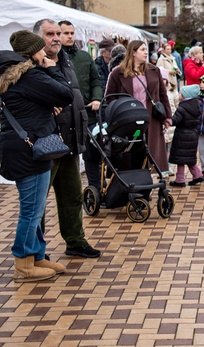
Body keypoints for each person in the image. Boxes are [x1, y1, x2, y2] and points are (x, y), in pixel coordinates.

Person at [0, 30, 74, 282]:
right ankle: (24, 264)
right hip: (30, 151)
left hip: (18, 148)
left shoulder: (9, 76)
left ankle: (37, 256)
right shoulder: (30, 75)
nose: (45, 52)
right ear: (32, 52)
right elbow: (66, 94)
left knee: (34, 208)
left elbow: (0, 110)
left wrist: (41, 108)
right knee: (31, 211)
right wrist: (52, 68)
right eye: (41, 49)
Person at [33, 19, 99, 259]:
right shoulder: (31, 65)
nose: (57, 38)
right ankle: (36, 250)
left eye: (59, 33)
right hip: (47, 142)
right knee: (38, 201)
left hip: (70, 139)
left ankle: (75, 240)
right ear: (38, 38)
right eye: (50, 34)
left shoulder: (66, 60)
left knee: (72, 195)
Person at [105, 40, 172, 180]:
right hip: (128, 121)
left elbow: (162, 95)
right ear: (133, 52)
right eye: (142, 49)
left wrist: (167, 117)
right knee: (130, 154)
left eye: (146, 49)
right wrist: (119, 114)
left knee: (149, 154)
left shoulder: (154, 70)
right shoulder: (118, 73)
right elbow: (109, 98)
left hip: (151, 120)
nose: (146, 52)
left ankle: (144, 187)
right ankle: (131, 184)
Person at [59, 21, 104, 193]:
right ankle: (67, 190)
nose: (70, 36)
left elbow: (95, 81)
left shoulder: (84, 57)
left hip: (87, 112)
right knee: (67, 155)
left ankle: (95, 188)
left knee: (92, 151)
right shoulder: (54, 59)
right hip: (64, 114)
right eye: (66, 33)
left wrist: (97, 98)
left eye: (72, 33)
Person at [168, 85, 204, 187]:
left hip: (182, 135)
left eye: (181, 93)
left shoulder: (182, 108)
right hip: (193, 135)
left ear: (185, 96)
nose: (179, 95)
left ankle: (180, 180)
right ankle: (197, 175)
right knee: (189, 158)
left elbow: (175, 120)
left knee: (180, 159)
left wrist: (168, 120)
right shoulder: (196, 106)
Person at [157, 42, 181, 110]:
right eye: (167, 49)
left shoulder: (173, 58)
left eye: (170, 49)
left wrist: (177, 71)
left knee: (175, 98)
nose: (169, 51)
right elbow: (159, 71)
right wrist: (169, 71)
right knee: (169, 99)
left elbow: (176, 67)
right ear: (164, 50)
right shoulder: (161, 59)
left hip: (174, 81)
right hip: (167, 83)